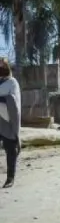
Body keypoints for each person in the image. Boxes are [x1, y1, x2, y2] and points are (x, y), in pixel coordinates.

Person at [0, 58, 21, 189]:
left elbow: (13, 100)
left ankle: (10, 178)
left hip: (8, 121)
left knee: (10, 150)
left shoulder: (12, 82)